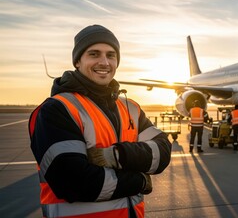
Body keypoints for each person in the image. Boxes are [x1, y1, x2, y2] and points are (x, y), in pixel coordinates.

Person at [28, 24, 172, 218]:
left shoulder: (130, 108)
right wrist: (139, 181)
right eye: (94, 54)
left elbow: (163, 151)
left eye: (111, 55)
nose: (104, 62)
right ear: (78, 61)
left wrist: (116, 155)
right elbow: (73, 182)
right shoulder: (57, 109)